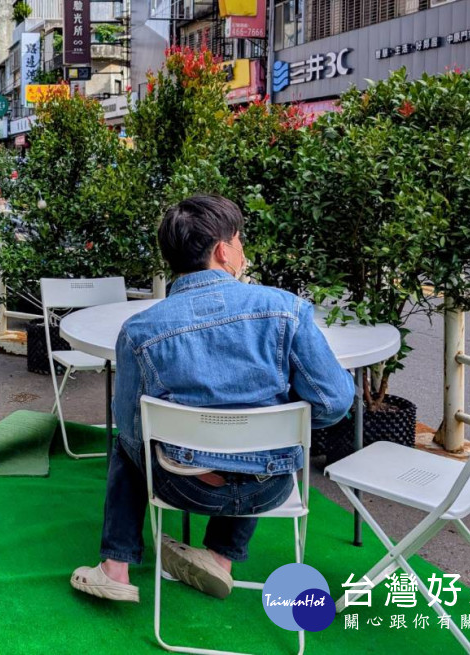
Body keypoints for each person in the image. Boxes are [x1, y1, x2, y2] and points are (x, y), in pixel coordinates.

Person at [70, 195, 354, 605]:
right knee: (260, 419)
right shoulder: (285, 310)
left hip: (184, 487)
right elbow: (334, 402)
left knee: (127, 440)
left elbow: (134, 432)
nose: (242, 251)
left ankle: (115, 568)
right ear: (224, 250)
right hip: (269, 485)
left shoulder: (140, 330)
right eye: (239, 241)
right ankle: (221, 558)